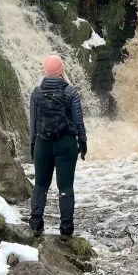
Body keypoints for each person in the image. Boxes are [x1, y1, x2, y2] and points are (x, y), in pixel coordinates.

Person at [28, 54, 87, 239]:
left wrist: (33, 145)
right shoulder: (71, 92)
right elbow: (78, 121)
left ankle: (36, 225)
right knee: (65, 188)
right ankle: (66, 230)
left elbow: (34, 123)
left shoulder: (36, 92)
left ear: (45, 72)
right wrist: (83, 142)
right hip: (66, 144)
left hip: (42, 144)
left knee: (40, 185)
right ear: (62, 71)